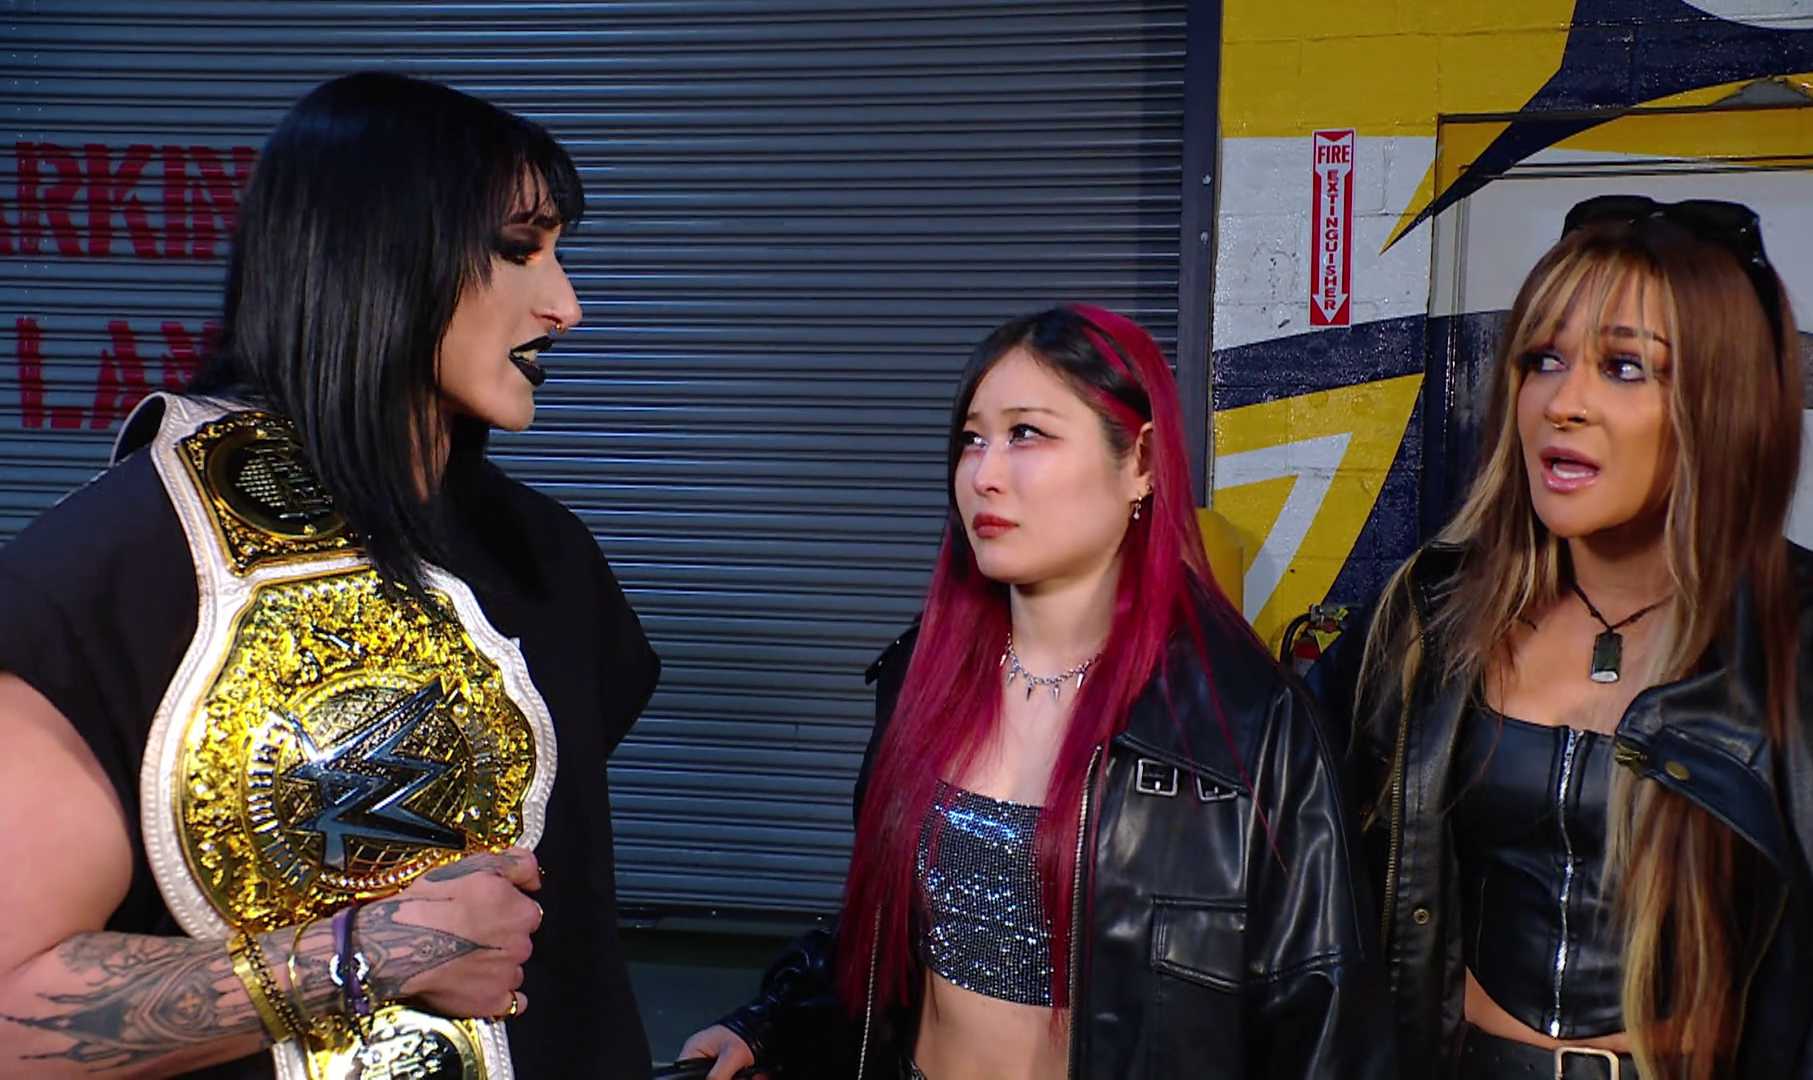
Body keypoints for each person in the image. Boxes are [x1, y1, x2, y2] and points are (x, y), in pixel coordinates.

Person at [0, 72, 660, 1079]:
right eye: (519, 248)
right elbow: (13, 1014)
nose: (565, 306)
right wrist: (364, 957)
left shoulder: (549, 558)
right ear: (381, 253)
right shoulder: (113, 572)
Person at [676, 305, 1392, 1080]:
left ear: (1142, 462)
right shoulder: (923, 677)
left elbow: (1323, 1028)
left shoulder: (1252, 728)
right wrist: (773, 1024)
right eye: (972, 439)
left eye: (1026, 433)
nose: (984, 474)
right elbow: (881, 936)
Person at [1313, 196, 1813, 1080]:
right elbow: (1273, 822)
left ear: (1722, 403)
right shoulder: (1429, 618)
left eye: (1626, 367)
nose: (1565, 403)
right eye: (1543, 360)